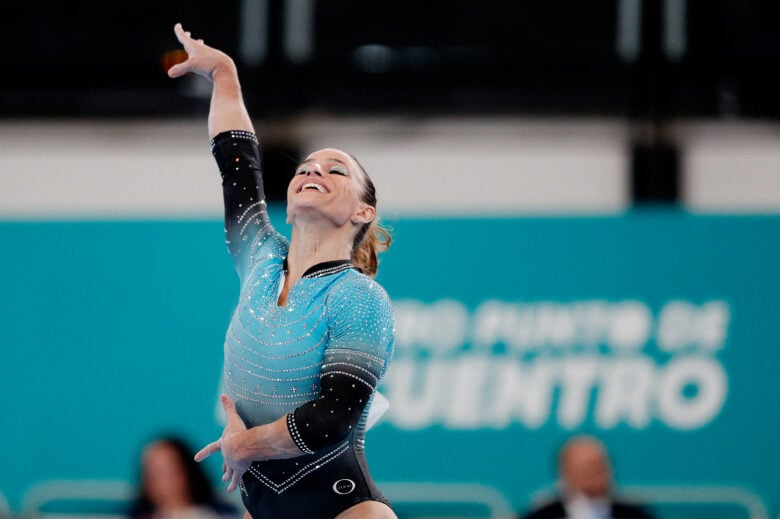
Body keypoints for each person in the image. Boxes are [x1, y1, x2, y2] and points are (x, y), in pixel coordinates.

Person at [167, 23, 397, 519]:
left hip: (346, 510)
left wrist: (246, 444)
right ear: (289, 205)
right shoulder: (260, 261)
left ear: (363, 213)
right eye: (305, 167)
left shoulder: (358, 297)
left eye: (336, 171)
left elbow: (331, 419)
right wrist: (225, 76)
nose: (314, 171)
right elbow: (238, 165)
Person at [520, 435, 653, 519]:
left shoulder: (634, 513)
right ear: (566, 472)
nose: (598, 472)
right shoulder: (544, 514)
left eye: (602, 464)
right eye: (587, 467)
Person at [128, 436, 239, 519]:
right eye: (153, 473)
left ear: (188, 472)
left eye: (170, 471)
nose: (163, 482)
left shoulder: (223, 515)